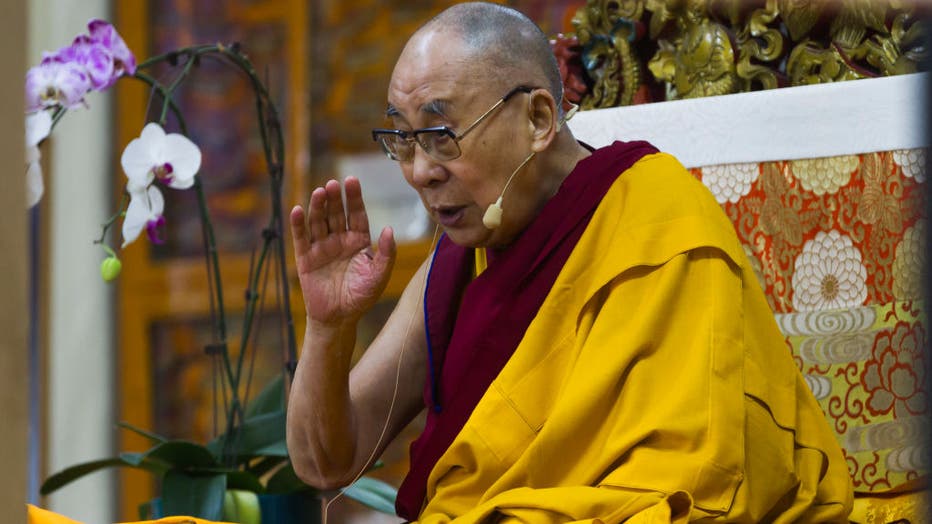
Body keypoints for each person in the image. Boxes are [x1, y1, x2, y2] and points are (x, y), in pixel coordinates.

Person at [286, 2, 854, 522]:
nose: (418, 171)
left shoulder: (656, 217)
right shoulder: (461, 259)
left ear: (537, 119)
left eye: (439, 135)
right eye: (403, 140)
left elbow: (692, 482)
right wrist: (330, 327)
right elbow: (327, 466)